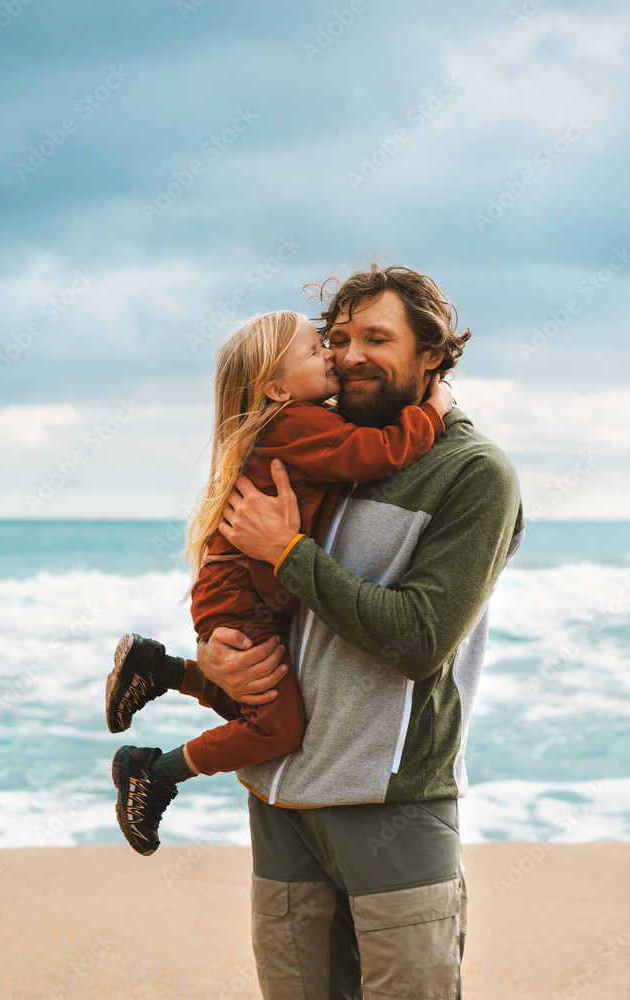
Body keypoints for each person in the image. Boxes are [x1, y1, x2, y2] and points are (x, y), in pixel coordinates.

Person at [193, 264, 524, 1000]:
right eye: (337, 338)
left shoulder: (470, 473)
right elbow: (258, 597)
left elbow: (416, 639)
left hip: (391, 805)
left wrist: (287, 552)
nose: (348, 354)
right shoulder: (324, 447)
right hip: (281, 803)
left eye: (377, 337)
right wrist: (215, 657)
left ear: (432, 354)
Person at [107, 308, 453, 857]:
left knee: (255, 701)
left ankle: (160, 669)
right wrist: (432, 413)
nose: (333, 357)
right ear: (275, 388)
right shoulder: (297, 423)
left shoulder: (296, 419)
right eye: (318, 351)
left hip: (234, 588)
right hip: (242, 592)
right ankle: (155, 770)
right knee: (277, 729)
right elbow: (378, 452)